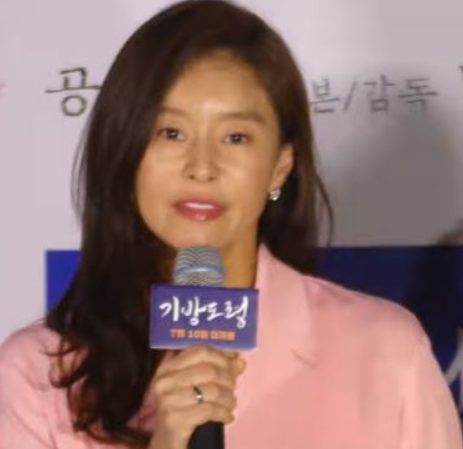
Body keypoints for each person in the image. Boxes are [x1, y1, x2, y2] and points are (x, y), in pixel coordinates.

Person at [0, 1, 461, 448]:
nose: (202, 167)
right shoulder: (36, 377)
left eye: (236, 137)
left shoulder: (385, 351)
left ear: (279, 168)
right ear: (126, 153)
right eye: (171, 133)